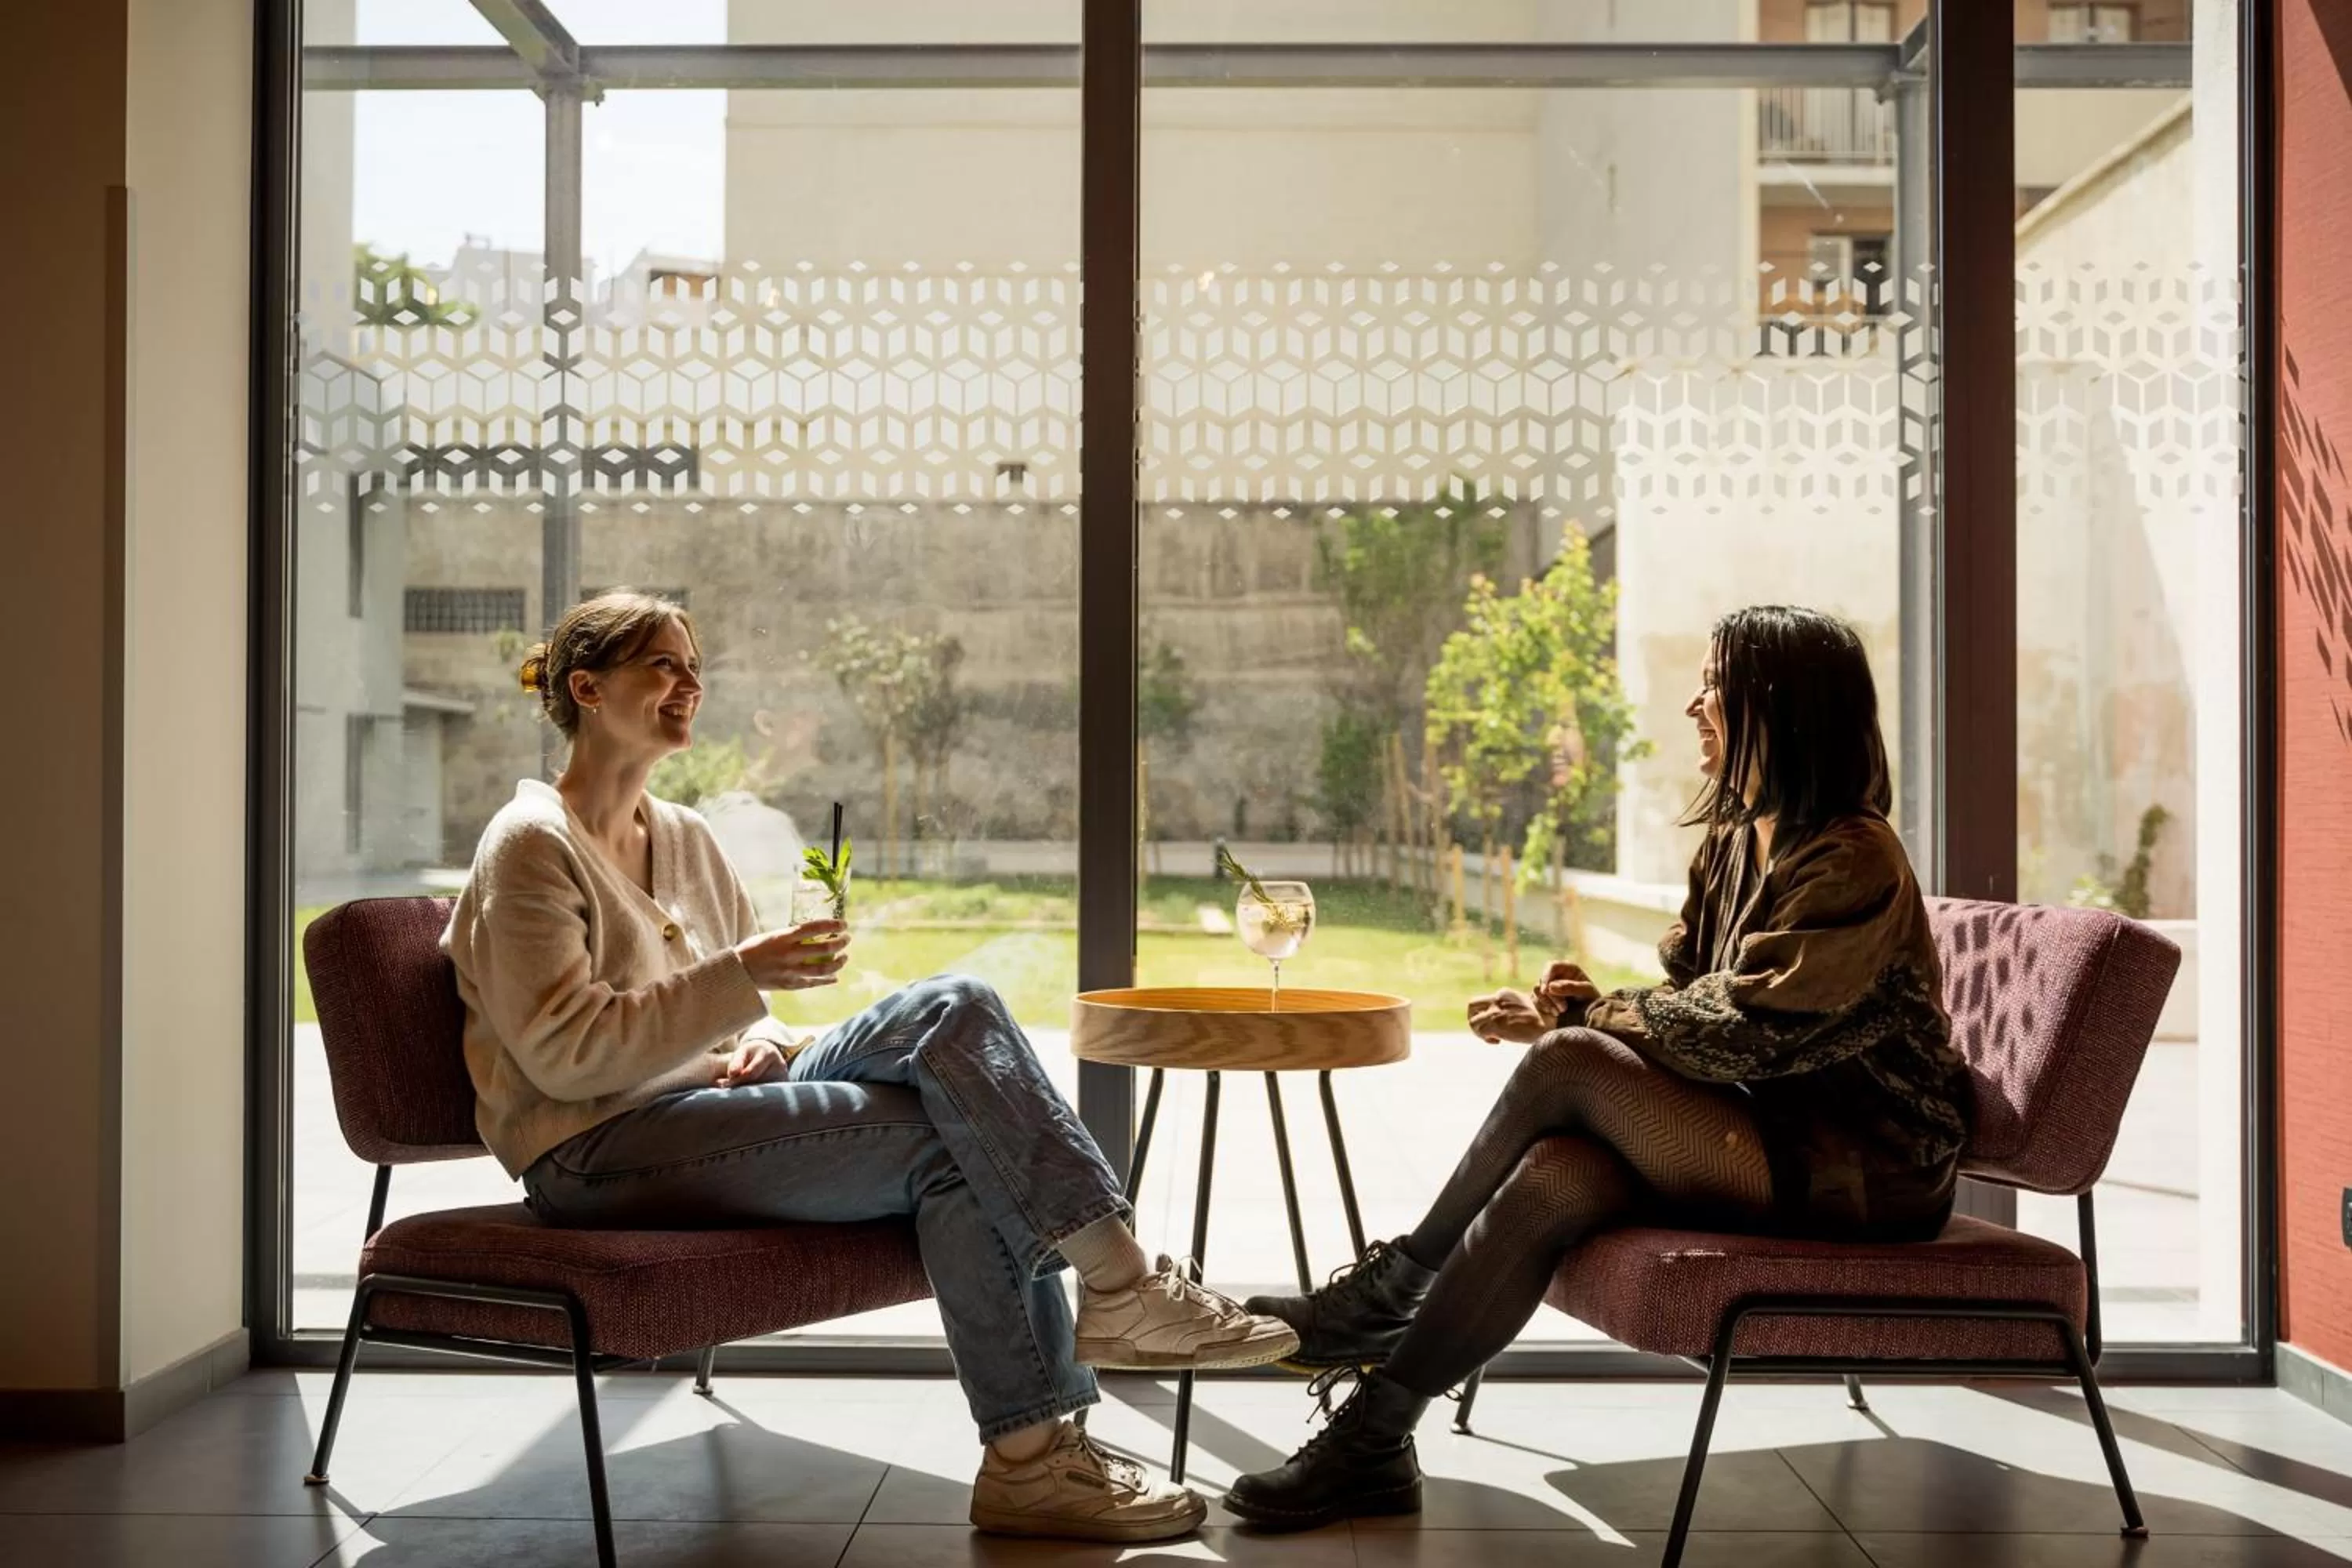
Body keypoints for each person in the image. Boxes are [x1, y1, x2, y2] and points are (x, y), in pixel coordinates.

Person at [442, 590, 1298, 1544]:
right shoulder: (530, 846)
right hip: (590, 1148)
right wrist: (743, 979)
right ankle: (1057, 1414)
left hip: (703, 1105)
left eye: (693, 664)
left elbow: (711, 1022)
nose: (691, 683)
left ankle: (1100, 1333)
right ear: (588, 688)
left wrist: (760, 1039)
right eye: (663, 665)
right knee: (959, 1146)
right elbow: (565, 1056)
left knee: (956, 1005)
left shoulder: (680, 832)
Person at [1223, 604, 1975, 1531]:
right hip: (1768, 1130)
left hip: (1867, 1168)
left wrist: (1584, 1018)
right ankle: (1376, 1436)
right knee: (1555, 1172)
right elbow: (1696, 999)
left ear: (1780, 708)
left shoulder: (1856, 857)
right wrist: (1572, 1007)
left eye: (1715, 684)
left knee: (1574, 1056)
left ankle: (1393, 1289)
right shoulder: (1740, 839)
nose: (1695, 703)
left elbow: (1741, 1028)